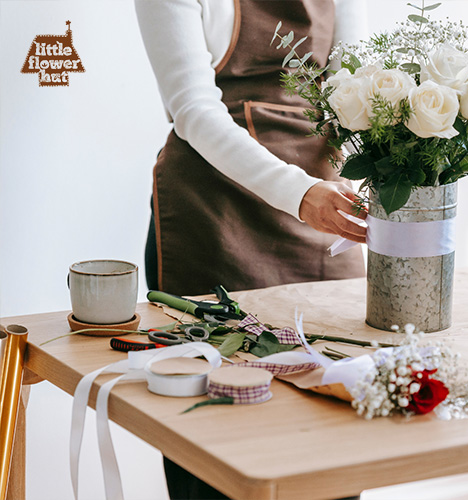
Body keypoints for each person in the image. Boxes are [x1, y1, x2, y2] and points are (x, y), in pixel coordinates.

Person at [135, 0, 367, 497]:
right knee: (218, 443)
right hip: (213, 217)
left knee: (337, 436)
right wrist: (299, 194)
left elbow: (355, 88)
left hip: (325, 214)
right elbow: (192, 109)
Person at [136, 0, 368, 297]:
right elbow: (193, 108)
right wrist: (299, 193)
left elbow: (353, 94)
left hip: (324, 205)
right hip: (214, 211)